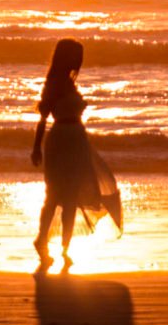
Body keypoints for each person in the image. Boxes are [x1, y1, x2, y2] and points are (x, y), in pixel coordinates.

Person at [31, 38, 122, 270]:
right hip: (61, 140)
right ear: (65, 57)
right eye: (75, 56)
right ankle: (42, 241)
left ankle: (65, 249)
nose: (78, 61)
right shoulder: (54, 83)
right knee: (54, 196)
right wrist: (35, 147)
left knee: (71, 198)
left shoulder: (69, 84)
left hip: (76, 140)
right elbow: (42, 119)